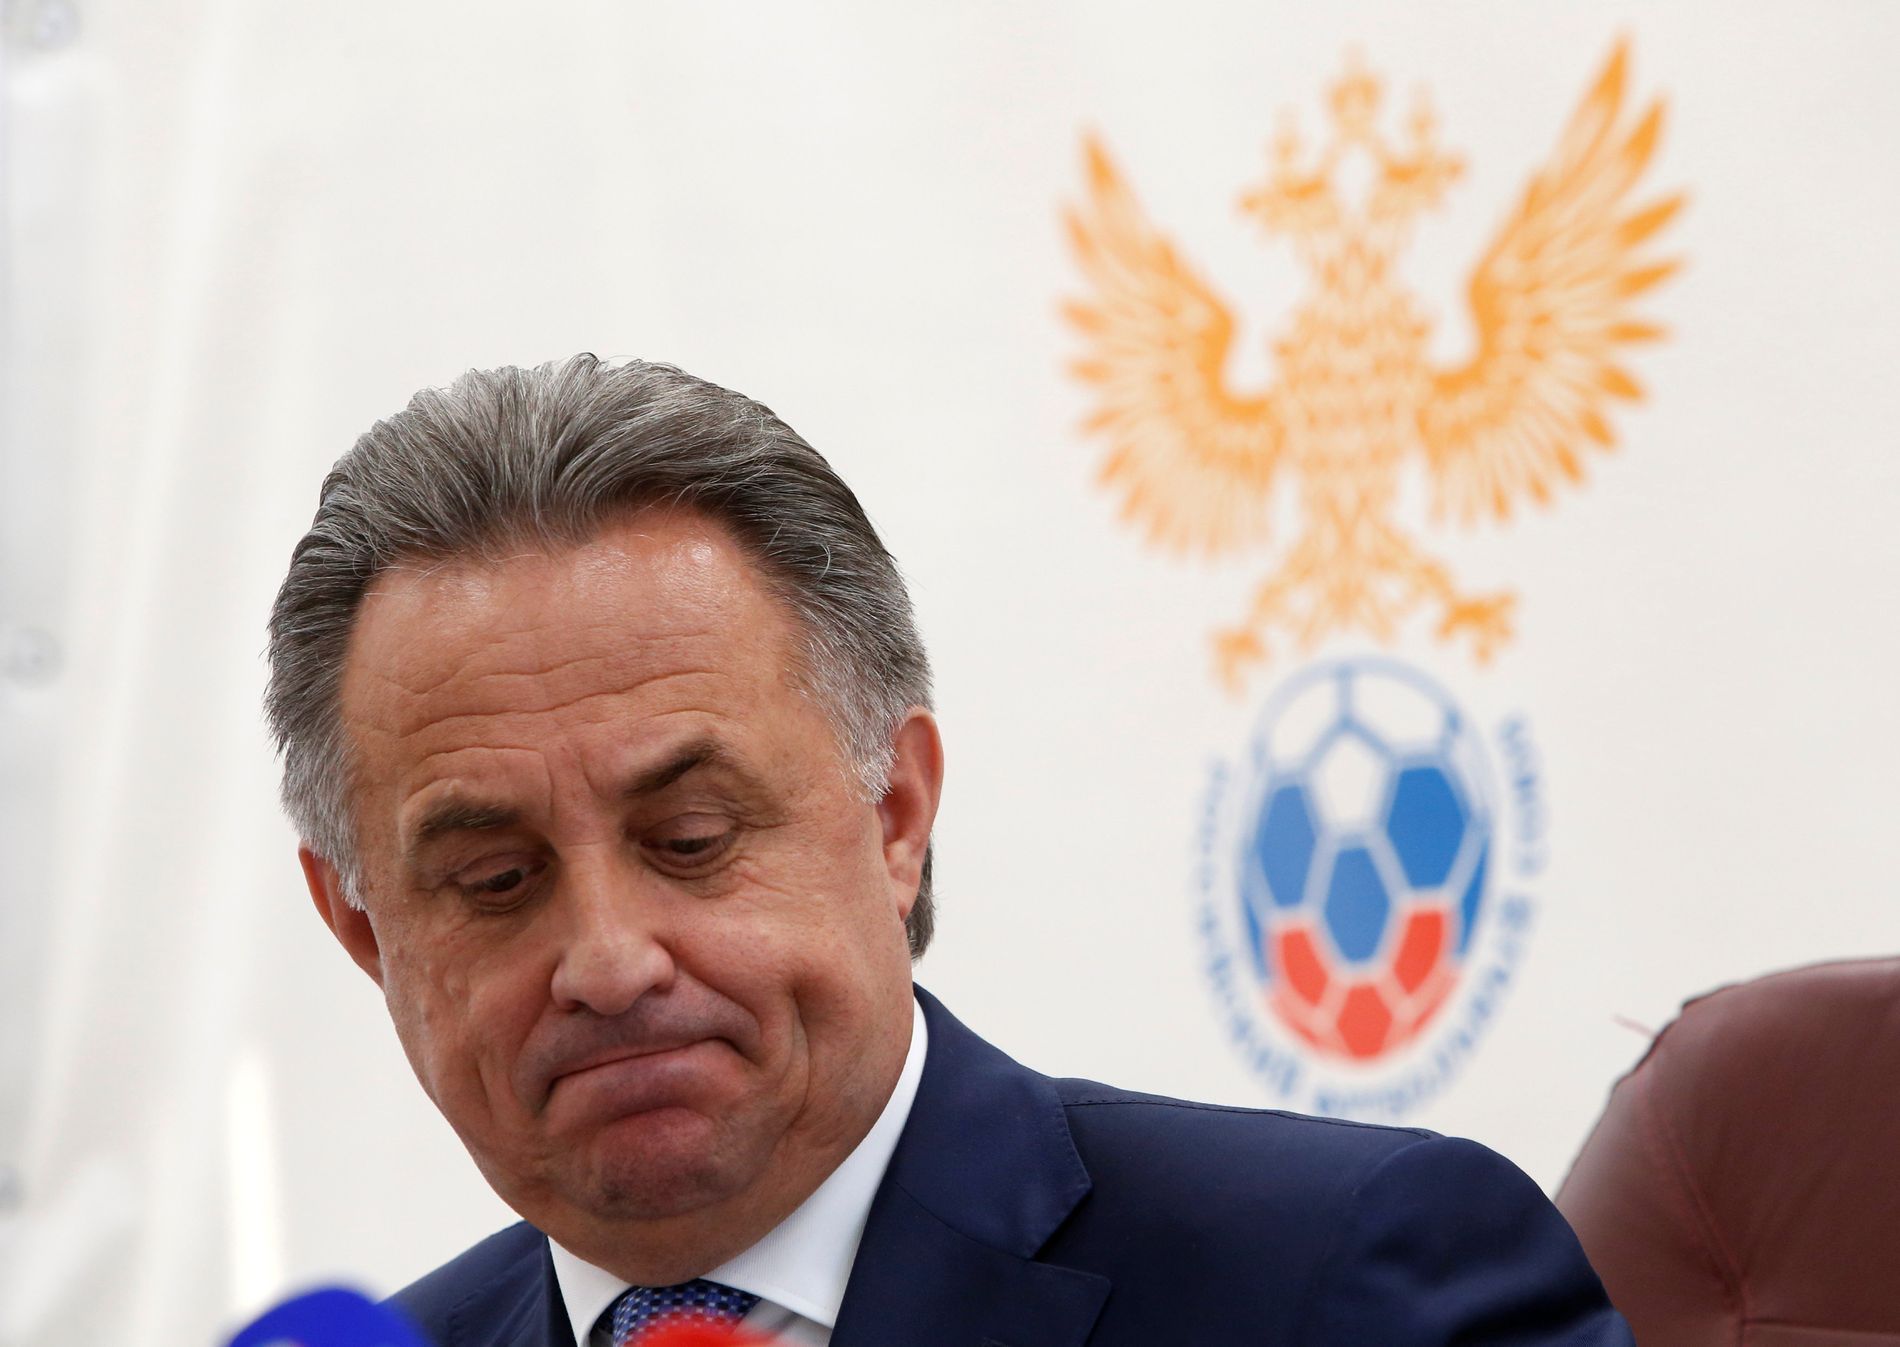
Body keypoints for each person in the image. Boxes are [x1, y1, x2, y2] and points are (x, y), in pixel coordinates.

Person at [266, 356, 1632, 1347]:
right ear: (365, 929)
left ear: (896, 815)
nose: (611, 962)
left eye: (689, 839)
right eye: (498, 882)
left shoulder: (1338, 1286)